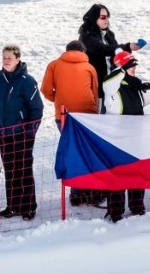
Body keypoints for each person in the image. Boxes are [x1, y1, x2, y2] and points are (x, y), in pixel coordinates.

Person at [41, 40, 99, 207]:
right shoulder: (90, 67)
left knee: (72, 152)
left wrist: (58, 99)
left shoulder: (54, 65)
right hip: (87, 116)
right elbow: (94, 92)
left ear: (66, 51)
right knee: (88, 153)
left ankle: (76, 193)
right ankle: (91, 190)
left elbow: (45, 90)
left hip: (64, 115)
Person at [0, 44, 44, 220]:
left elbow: (37, 109)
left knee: (23, 169)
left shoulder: (27, 81)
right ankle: (12, 205)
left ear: (18, 59)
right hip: (3, 133)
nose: (6, 61)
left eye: (9, 58)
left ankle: (28, 207)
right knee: (9, 169)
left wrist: (29, 132)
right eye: (4, 58)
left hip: (22, 134)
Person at [101, 51, 150, 221]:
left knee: (136, 171)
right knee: (118, 173)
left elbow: (140, 102)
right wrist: (122, 69)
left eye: (134, 65)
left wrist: (148, 92)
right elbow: (109, 84)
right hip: (117, 137)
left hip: (136, 134)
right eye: (131, 66)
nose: (134, 69)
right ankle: (116, 210)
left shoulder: (135, 83)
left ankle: (137, 206)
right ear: (121, 67)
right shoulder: (112, 84)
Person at [78, 4, 141, 104]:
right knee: (99, 113)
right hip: (96, 84)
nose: (106, 19)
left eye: (107, 16)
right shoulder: (86, 36)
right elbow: (102, 49)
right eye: (102, 17)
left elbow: (115, 51)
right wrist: (127, 46)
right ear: (94, 18)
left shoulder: (109, 34)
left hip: (111, 81)